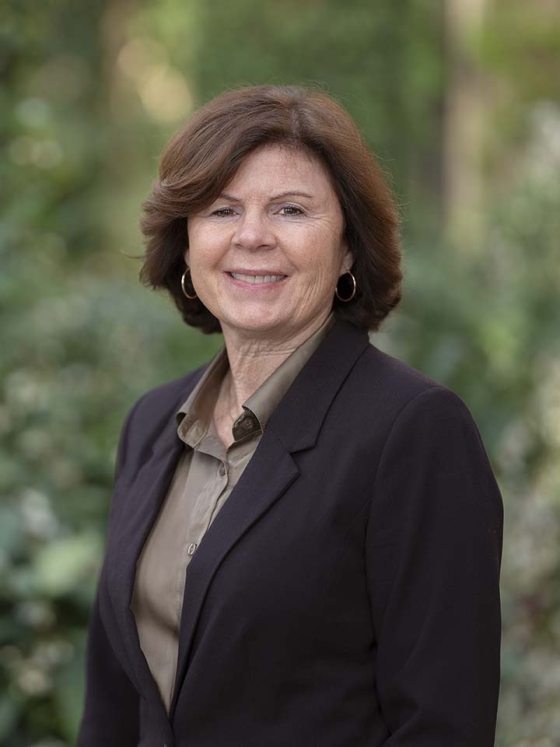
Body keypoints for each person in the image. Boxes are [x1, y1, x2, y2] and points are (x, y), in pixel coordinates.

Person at [78, 85, 503, 746]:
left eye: (291, 209)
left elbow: (441, 724)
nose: (253, 236)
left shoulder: (415, 431)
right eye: (221, 209)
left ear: (348, 248)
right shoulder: (154, 423)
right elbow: (114, 701)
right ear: (187, 244)